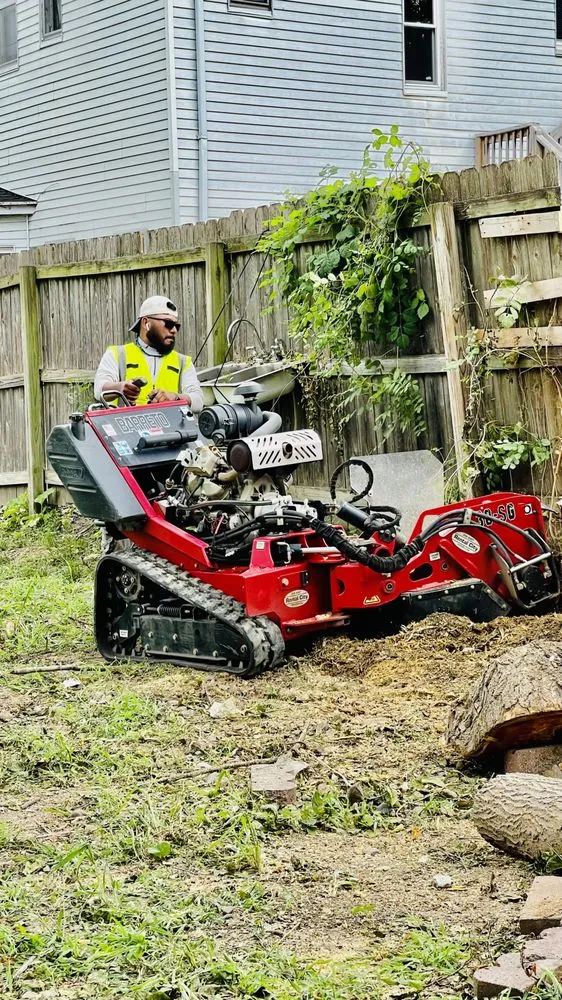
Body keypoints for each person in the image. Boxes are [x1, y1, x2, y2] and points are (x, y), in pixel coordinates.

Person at [94, 295, 204, 411]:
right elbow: (99, 390)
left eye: (176, 326)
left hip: (170, 423)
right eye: (168, 324)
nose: (174, 330)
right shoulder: (117, 354)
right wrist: (120, 388)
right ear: (146, 322)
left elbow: (198, 401)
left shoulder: (183, 362)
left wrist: (176, 398)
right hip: (125, 422)